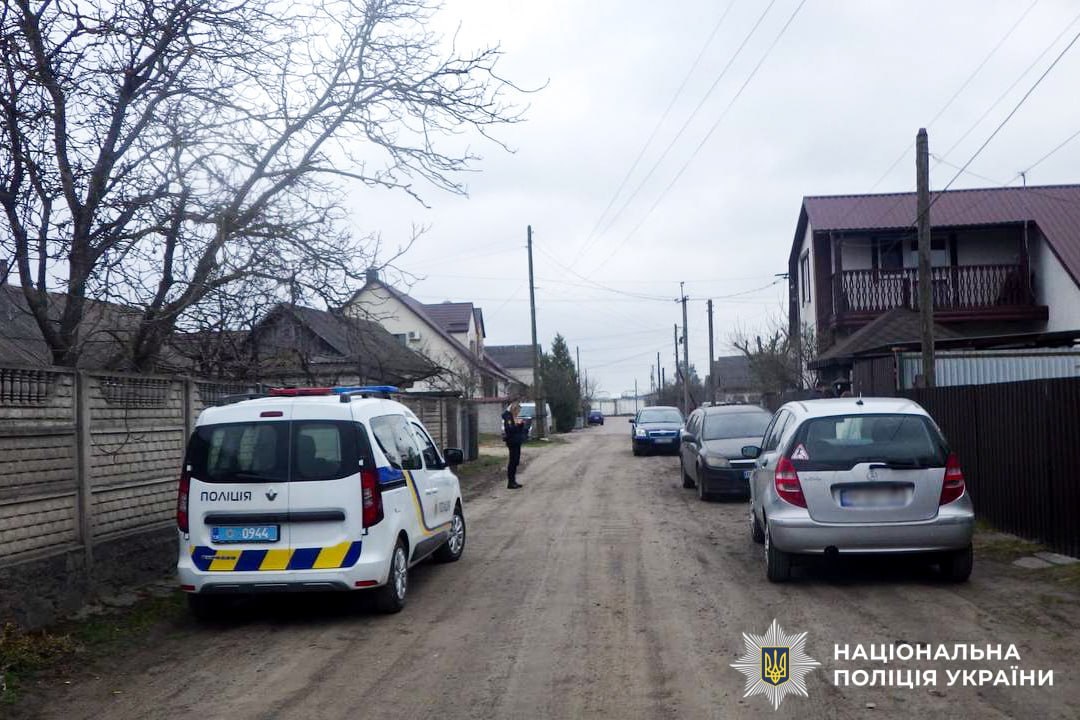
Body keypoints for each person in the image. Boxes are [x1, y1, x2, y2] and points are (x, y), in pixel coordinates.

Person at [502, 401, 527, 489]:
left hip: (516, 441)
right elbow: (510, 429)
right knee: (513, 462)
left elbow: (517, 430)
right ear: (514, 409)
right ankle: (511, 482)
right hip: (512, 442)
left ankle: (513, 481)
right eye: (518, 411)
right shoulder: (508, 418)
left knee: (516, 461)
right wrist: (518, 425)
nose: (518, 413)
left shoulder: (514, 417)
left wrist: (521, 425)